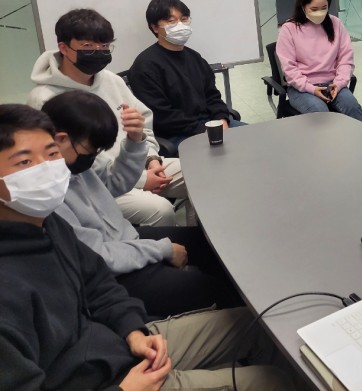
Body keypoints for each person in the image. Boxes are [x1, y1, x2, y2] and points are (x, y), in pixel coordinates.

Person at [0, 103, 296, 391]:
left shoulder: (47, 224)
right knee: (272, 382)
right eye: (24, 162)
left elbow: (97, 283)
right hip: (114, 380)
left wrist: (132, 329)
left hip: (120, 342)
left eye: (51, 154)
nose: (48, 169)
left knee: (255, 326)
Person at [41, 90, 241, 318]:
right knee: (214, 290)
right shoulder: (47, 196)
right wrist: (162, 250)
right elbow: (97, 257)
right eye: (90, 150)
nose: (93, 156)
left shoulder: (75, 163)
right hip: (109, 277)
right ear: (61, 139)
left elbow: (116, 182)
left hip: (124, 242)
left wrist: (135, 141)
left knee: (210, 245)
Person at [28, 8, 183, 227]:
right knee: (160, 210)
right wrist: (142, 180)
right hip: (95, 185)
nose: (99, 52)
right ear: (64, 48)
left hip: (139, 162)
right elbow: (72, 164)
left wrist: (151, 159)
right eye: (88, 46)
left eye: (104, 46)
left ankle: (205, 241)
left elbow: (142, 123)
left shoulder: (111, 80)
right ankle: (161, 248)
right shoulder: (45, 99)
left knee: (198, 175)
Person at [128, 0, 242, 147]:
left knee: (255, 140)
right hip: (177, 135)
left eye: (184, 19)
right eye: (171, 21)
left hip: (211, 125)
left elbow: (212, 96)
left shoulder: (195, 57)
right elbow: (162, 117)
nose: (180, 25)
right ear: (154, 27)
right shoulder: (144, 66)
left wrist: (222, 119)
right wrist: (205, 130)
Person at [276, 0, 362, 121]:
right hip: (302, 88)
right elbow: (289, 69)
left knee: (353, 108)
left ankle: (354, 137)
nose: (320, 12)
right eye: (314, 9)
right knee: (321, 115)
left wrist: (339, 83)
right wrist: (311, 89)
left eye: (324, 8)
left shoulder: (336, 24)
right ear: (303, 7)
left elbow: (346, 60)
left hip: (332, 84)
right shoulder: (289, 29)